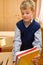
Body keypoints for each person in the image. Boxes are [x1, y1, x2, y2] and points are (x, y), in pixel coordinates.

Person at [12, 0, 42, 65]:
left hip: (31, 55)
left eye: (27, 13)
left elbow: (37, 43)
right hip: (20, 54)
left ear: (33, 12)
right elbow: (17, 42)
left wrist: (37, 54)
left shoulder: (37, 26)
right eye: (22, 13)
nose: (24, 15)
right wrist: (15, 59)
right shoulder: (18, 25)